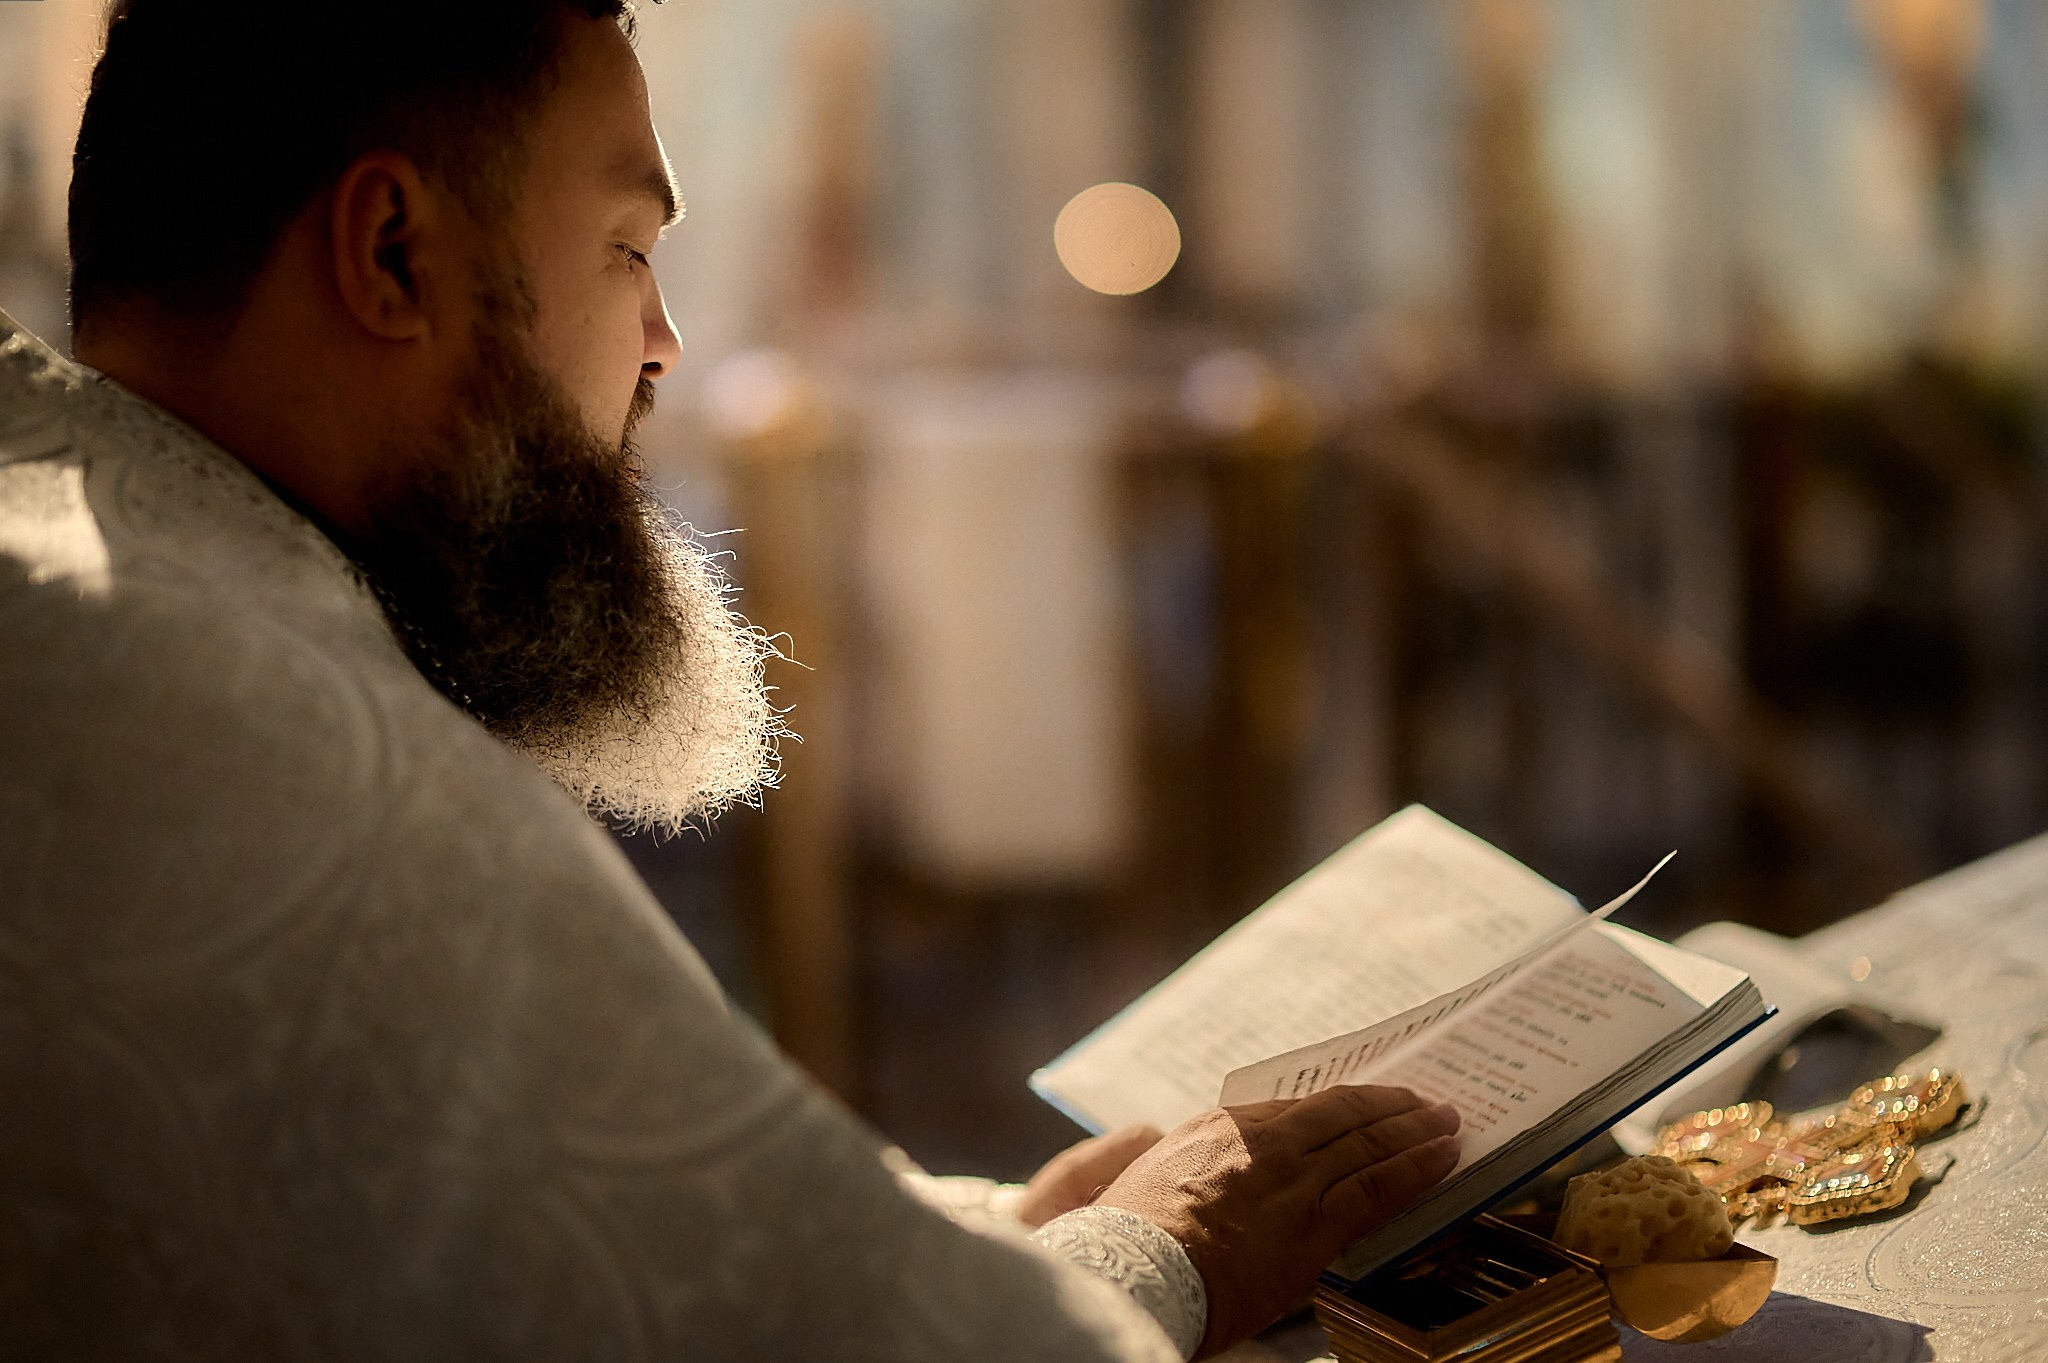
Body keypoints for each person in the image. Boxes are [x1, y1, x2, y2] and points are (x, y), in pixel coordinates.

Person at [0, 3, 1462, 1359]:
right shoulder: (299, 770)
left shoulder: (115, 602)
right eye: (628, 249)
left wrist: (997, 1240)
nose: (664, 344)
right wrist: (1165, 1252)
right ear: (391, 255)